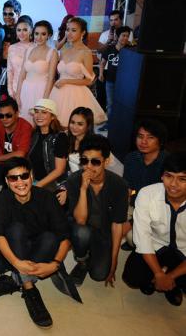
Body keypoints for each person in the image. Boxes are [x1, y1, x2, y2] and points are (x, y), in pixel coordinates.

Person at [0, 157, 71, 328]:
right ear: (7, 182)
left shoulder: (47, 197)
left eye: (24, 176)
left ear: (32, 176)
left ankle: (14, 281)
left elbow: (65, 237)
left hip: (41, 252)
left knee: (50, 238)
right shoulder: (2, 199)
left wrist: (54, 265)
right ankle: (29, 288)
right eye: (13, 178)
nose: (20, 182)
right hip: (12, 253)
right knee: (16, 229)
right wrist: (16, 262)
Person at [122, 152, 186, 306]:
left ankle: (172, 285)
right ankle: (155, 277)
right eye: (169, 176)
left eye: (182, 179)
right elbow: (143, 238)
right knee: (132, 277)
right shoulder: (147, 194)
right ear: (162, 176)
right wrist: (158, 274)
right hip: (156, 245)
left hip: (183, 252)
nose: (173, 184)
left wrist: (169, 277)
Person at [66, 135, 128, 287]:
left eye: (95, 162)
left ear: (106, 162)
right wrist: (83, 189)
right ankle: (82, 261)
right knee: (81, 232)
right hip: (82, 229)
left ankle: (92, 254)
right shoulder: (74, 180)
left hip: (103, 232)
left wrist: (114, 261)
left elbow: (117, 225)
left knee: (99, 275)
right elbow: (80, 221)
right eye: (84, 160)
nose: (88, 166)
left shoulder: (119, 185)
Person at [49, 17, 106, 128]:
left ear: (83, 33)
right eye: (67, 30)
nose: (69, 33)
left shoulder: (86, 52)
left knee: (73, 126)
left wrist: (66, 81)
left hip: (76, 95)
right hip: (57, 93)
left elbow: (89, 81)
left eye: (74, 30)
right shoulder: (64, 49)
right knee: (55, 126)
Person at [121, 119, 169, 247]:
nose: (144, 141)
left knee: (132, 237)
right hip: (135, 206)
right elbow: (128, 189)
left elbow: (164, 203)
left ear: (160, 141)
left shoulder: (167, 162)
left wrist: (132, 222)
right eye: (140, 136)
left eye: (150, 137)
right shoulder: (131, 158)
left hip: (158, 212)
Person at [16, 20, 58, 122]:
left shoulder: (52, 52)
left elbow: (51, 79)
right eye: (36, 33)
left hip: (41, 91)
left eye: (43, 34)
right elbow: (22, 75)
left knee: (38, 122)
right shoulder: (28, 50)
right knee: (23, 121)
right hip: (25, 90)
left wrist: (44, 100)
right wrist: (17, 95)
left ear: (49, 35)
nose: (39, 37)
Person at [0, 98, 33, 187]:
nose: (4, 119)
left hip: (19, 165)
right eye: (1, 116)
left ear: (17, 114)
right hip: (2, 163)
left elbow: (21, 154)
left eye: (8, 115)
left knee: (9, 186)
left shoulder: (25, 127)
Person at [66, 107, 123, 176]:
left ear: (88, 126)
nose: (74, 127)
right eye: (72, 122)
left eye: (80, 124)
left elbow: (112, 167)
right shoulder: (66, 139)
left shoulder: (96, 144)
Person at [28, 99, 68, 191]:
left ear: (52, 116)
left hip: (54, 185)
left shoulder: (60, 137)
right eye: (36, 112)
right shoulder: (34, 134)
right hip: (35, 182)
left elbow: (59, 170)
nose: (39, 116)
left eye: (44, 112)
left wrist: (37, 186)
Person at [98, 25, 131, 128]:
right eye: (123, 35)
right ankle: (110, 123)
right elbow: (102, 63)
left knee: (123, 103)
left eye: (127, 36)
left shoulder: (130, 50)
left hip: (124, 82)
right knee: (110, 103)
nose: (125, 38)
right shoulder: (110, 48)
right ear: (118, 36)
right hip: (110, 80)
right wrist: (101, 74)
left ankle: (120, 123)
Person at [6, 15, 33, 100]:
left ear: (31, 31)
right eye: (19, 30)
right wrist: (10, 90)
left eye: (25, 30)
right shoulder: (12, 47)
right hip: (15, 88)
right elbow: (10, 70)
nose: (21, 33)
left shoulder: (35, 47)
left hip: (32, 88)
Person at [0, 0, 22, 95]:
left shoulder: (23, 32)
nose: (7, 17)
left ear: (18, 14)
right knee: (2, 96)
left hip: (18, 72)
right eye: (5, 14)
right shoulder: (0, 29)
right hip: (2, 70)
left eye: (10, 14)